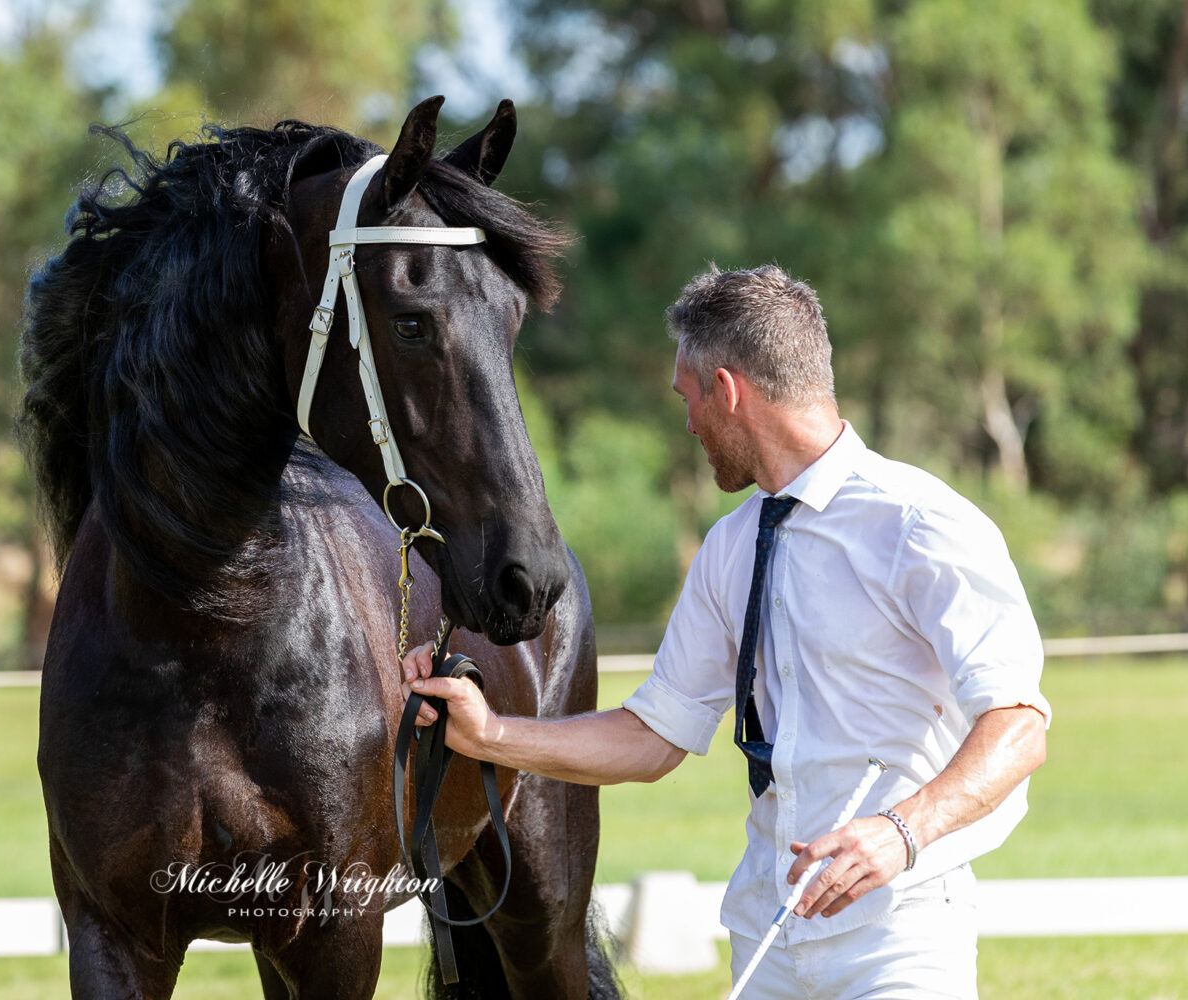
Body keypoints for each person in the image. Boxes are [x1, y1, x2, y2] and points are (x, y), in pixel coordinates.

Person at [401, 264, 1049, 999]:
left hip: (899, 938)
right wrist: (488, 735)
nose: (688, 425)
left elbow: (1019, 726)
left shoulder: (922, 525)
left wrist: (898, 833)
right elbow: (653, 738)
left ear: (729, 391)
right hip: (766, 933)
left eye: (689, 399)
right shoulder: (730, 547)